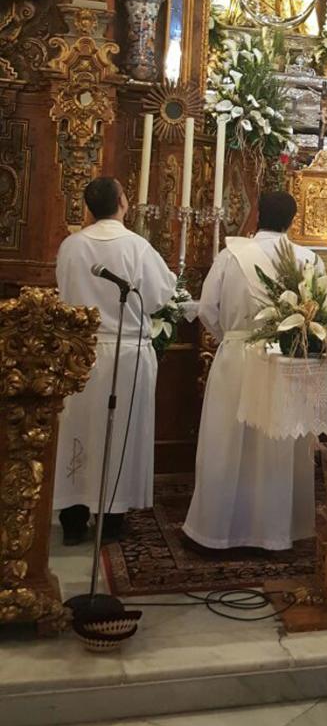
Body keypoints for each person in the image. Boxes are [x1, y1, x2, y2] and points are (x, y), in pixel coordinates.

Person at [183, 191, 319, 550]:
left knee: (227, 442)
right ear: (293, 219)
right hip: (288, 362)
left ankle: (217, 531)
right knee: (278, 446)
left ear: (256, 214)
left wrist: (232, 338)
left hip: (237, 357)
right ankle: (278, 532)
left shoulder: (231, 256)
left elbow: (208, 309)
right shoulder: (309, 259)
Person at [54, 177, 177, 545]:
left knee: (79, 429)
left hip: (81, 351)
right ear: (123, 203)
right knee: (119, 430)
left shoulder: (71, 246)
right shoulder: (137, 247)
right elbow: (157, 297)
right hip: (124, 352)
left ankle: (73, 518)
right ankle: (111, 518)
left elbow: (64, 293)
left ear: (88, 207)